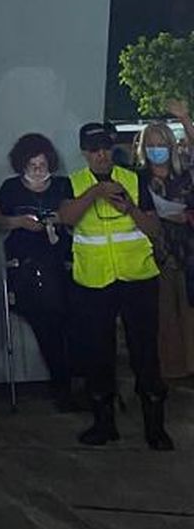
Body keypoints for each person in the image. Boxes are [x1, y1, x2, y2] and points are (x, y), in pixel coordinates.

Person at [58, 121, 168, 449]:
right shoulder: (72, 183)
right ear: (84, 153)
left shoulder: (136, 179)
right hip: (93, 281)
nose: (102, 154)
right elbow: (66, 218)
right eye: (94, 149)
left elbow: (153, 229)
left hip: (137, 278)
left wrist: (130, 208)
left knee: (145, 352)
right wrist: (95, 193)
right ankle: (104, 424)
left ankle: (155, 428)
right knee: (98, 353)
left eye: (106, 147)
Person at [0, 134, 75, 408]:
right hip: (27, 268)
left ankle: (71, 382)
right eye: (32, 164)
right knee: (49, 323)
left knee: (72, 322)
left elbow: (75, 216)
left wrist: (57, 220)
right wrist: (19, 222)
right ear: (22, 165)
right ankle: (63, 385)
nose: (38, 169)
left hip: (63, 264)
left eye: (42, 164)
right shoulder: (10, 189)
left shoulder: (64, 186)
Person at [133, 121, 194, 381]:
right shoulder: (138, 179)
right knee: (164, 313)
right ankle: (171, 368)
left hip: (188, 252)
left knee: (190, 312)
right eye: (152, 145)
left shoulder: (185, 177)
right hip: (155, 254)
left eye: (162, 144)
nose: (157, 150)